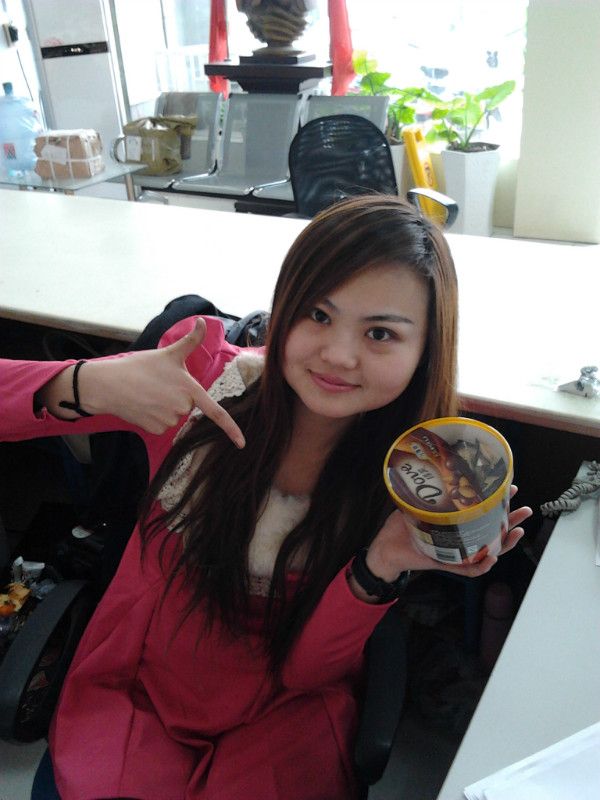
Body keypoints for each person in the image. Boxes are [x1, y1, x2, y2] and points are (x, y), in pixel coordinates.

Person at [1, 195, 531, 800]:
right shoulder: (204, 384)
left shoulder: (414, 478)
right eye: (317, 314)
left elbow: (306, 673)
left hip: (283, 716)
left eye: (381, 333)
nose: (338, 355)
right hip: (138, 689)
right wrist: (85, 383)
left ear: (425, 349)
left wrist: (381, 565)